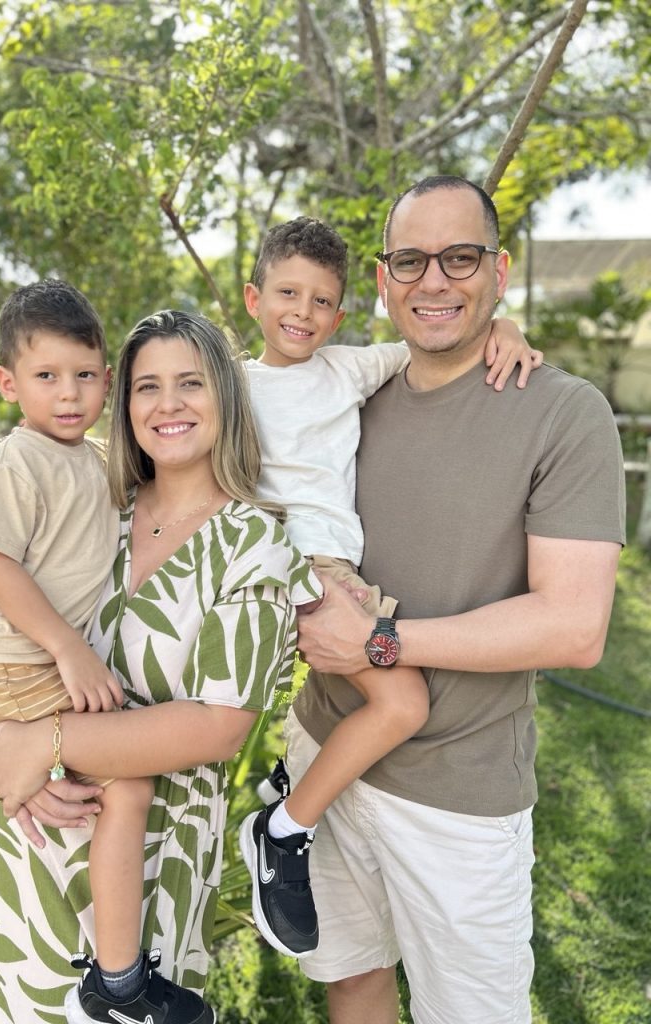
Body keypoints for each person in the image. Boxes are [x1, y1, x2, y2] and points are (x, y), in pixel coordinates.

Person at [286, 176, 625, 1024]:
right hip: (324, 753)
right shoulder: (350, 394)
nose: (434, 280)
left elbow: (575, 627)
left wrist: (380, 644)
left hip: (458, 798)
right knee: (353, 980)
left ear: (499, 270)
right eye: (412, 260)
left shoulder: (564, 414)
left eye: (460, 257)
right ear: (382, 278)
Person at [0, 308, 319, 1024]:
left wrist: (44, 742)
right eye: (147, 387)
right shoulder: (94, 504)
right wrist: (3, 758)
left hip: (147, 869)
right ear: (124, 406)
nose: (168, 404)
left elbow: (217, 728)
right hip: (24, 840)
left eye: (191, 383)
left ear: (226, 398)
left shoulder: (255, 545)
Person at [237, 216, 543, 959]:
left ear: (339, 315)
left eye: (320, 301)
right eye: (286, 294)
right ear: (252, 299)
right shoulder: (233, 383)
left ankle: (287, 801)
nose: (302, 313)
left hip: (339, 568)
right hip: (296, 561)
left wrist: (503, 323)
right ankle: (282, 831)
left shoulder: (347, 369)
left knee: (385, 699)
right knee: (404, 700)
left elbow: (439, 336)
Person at [0, 280, 186, 1018]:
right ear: (8, 383)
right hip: (16, 661)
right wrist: (68, 650)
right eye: (46, 377)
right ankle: (119, 983)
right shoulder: (15, 462)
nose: (69, 393)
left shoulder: (90, 455)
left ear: (107, 379)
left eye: (85, 375)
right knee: (129, 785)